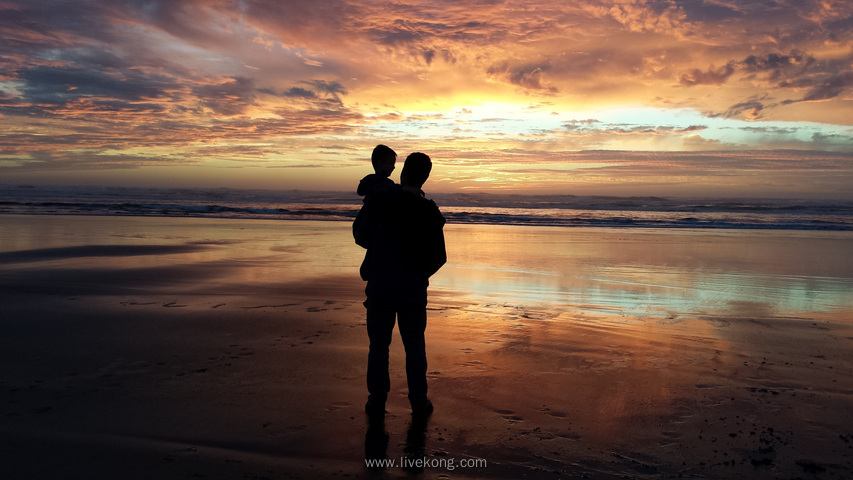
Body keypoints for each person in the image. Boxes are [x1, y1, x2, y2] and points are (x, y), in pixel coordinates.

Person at [353, 152, 447, 419]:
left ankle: (376, 400)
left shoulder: (382, 201)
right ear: (425, 177)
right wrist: (418, 275)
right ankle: (418, 400)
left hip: (381, 285)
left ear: (403, 172)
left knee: (379, 345)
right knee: (415, 345)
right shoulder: (428, 211)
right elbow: (439, 257)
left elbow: (360, 236)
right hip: (412, 290)